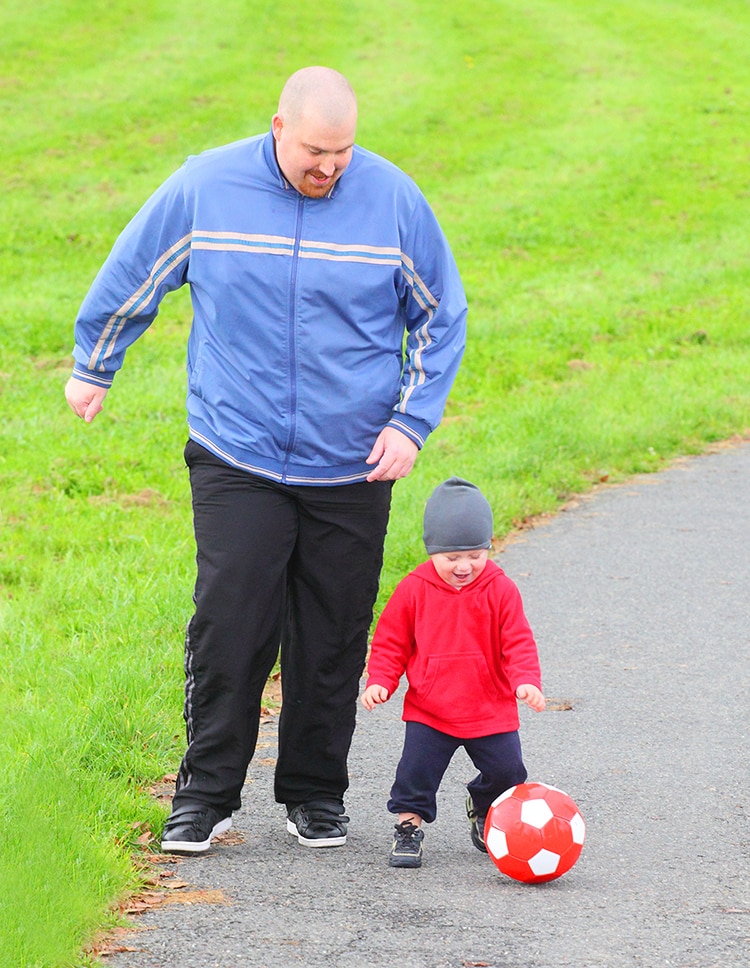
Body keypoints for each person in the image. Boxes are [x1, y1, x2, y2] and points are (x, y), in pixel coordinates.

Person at [65, 66, 467, 853]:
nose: (329, 167)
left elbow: (440, 315)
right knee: (230, 622)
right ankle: (205, 795)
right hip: (235, 448)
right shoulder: (206, 187)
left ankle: (316, 794)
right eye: (316, 150)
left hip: (352, 460)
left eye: (343, 152)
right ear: (278, 126)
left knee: (332, 632)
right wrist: (94, 364)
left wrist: (410, 424)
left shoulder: (393, 202)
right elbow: (135, 270)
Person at [361, 477, 545, 868]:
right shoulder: (413, 590)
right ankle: (408, 829)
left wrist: (526, 680)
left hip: (490, 708)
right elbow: (391, 642)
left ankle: (483, 806)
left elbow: (518, 642)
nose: (464, 567)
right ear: (432, 551)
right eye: (452, 558)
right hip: (431, 709)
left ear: (489, 547)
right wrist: (380, 680)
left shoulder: (500, 589)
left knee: (508, 773)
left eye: (475, 556)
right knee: (415, 774)